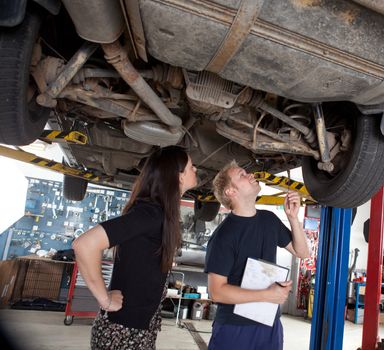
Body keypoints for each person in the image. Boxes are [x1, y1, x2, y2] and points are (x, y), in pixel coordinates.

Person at [72, 146, 197, 350]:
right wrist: (104, 299)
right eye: (192, 167)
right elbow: (84, 244)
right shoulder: (151, 214)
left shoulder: (159, 215)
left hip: (137, 330)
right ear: (178, 176)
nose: (196, 170)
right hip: (122, 333)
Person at [204, 161, 310, 350]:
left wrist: (294, 218)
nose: (251, 175)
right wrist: (268, 295)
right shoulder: (223, 236)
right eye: (242, 175)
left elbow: (302, 252)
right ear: (230, 191)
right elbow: (216, 292)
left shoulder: (269, 220)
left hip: (269, 324)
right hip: (234, 327)